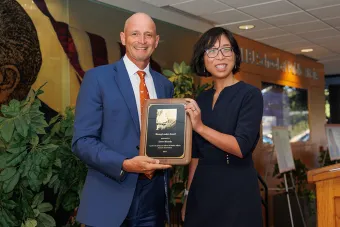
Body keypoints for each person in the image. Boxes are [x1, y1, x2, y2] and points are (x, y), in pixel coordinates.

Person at [72, 12, 174, 227]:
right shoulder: (97, 78)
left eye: (148, 35)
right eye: (135, 33)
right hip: (111, 192)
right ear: (123, 37)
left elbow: (167, 136)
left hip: (153, 197)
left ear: (156, 41)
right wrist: (125, 164)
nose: (142, 40)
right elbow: (83, 141)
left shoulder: (165, 85)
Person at [182, 27, 263, 227]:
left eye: (226, 49)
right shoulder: (201, 98)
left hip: (236, 190)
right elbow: (196, 155)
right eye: (212, 50)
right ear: (203, 58)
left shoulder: (250, 95)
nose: (220, 56)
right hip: (202, 190)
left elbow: (240, 146)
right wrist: (187, 196)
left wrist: (200, 127)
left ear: (235, 55)